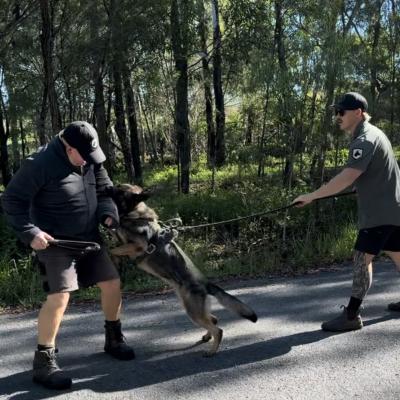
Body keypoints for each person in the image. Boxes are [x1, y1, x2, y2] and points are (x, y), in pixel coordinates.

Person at [1, 121, 135, 390]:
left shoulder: (90, 159)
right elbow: (11, 200)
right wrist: (31, 232)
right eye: (83, 155)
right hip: (56, 242)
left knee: (112, 283)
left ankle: (113, 338)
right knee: (60, 295)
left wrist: (108, 214)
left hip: (89, 237)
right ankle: (44, 362)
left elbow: (104, 190)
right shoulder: (39, 164)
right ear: (68, 147)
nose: (89, 161)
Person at [293, 92, 400, 332]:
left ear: (358, 112)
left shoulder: (364, 139)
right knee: (397, 254)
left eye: (341, 112)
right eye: (335, 112)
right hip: (393, 208)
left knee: (362, 259)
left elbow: (347, 178)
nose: (337, 116)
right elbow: (375, 174)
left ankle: (351, 315)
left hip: (379, 214)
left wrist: (311, 196)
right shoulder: (375, 133)